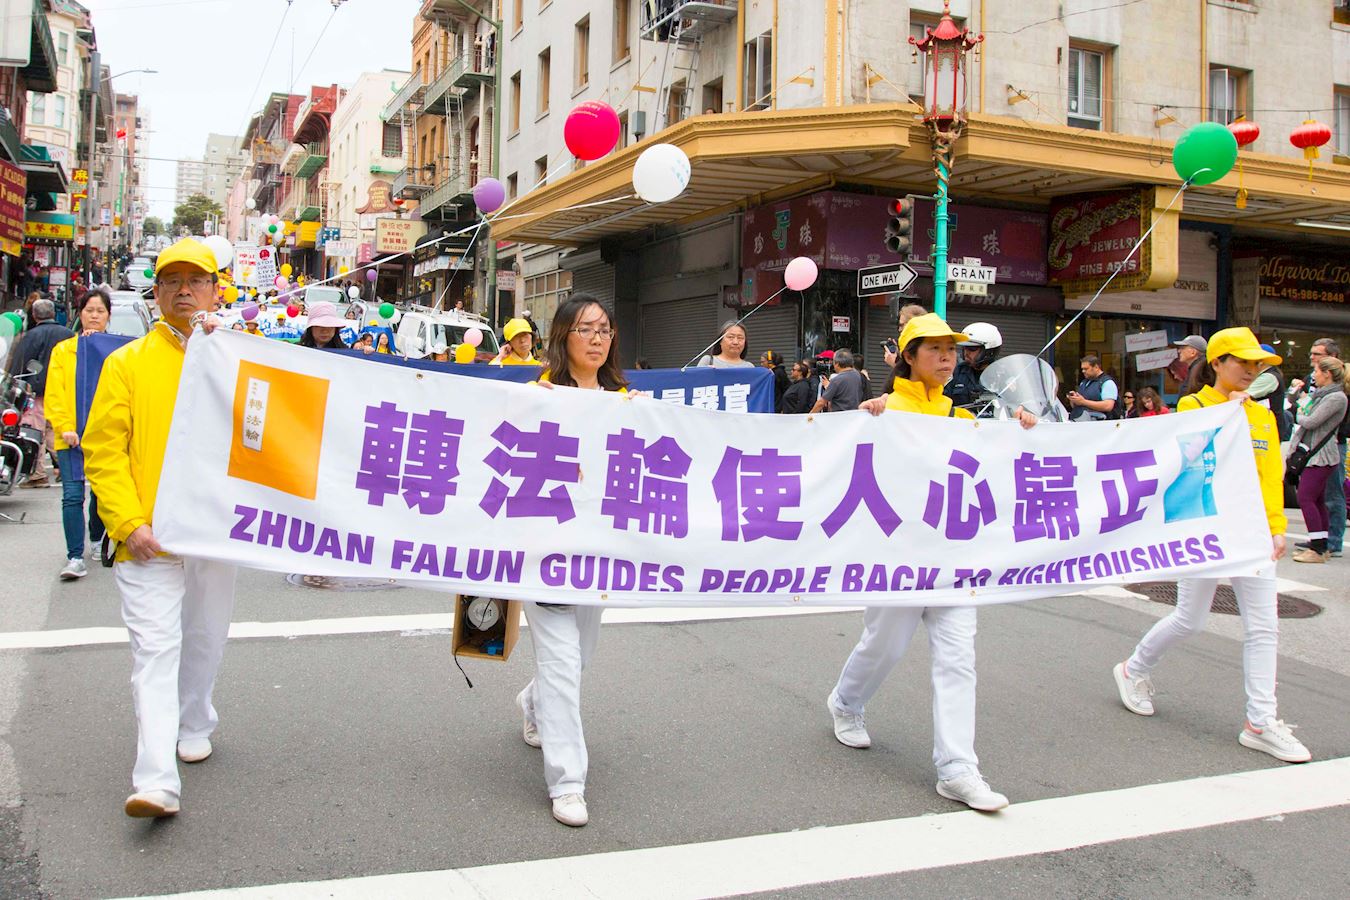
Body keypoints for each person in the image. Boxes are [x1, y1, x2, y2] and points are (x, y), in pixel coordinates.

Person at [828, 314, 1037, 812]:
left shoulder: (961, 417)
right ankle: (846, 702)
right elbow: (846, 461)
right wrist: (866, 416)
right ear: (908, 356)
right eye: (934, 349)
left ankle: (958, 769)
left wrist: (1023, 427)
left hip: (954, 559)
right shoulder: (884, 409)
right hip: (898, 559)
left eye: (952, 349)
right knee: (885, 644)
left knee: (958, 659)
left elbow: (1002, 461)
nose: (946, 357)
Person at [83, 238, 241, 818]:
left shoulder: (236, 356)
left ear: (215, 290)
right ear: (156, 293)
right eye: (171, 281)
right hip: (146, 539)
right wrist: (128, 523)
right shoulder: (127, 364)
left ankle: (194, 720)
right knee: (154, 650)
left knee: (205, 636)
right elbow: (104, 451)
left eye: (195, 280)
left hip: (213, 533)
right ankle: (155, 780)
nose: (183, 291)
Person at [1113, 328, 1310, 764]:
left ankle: (1260, 721)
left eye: (1257, 364)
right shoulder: (1193, 406)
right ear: (1218, 362)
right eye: (1243, 362)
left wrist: (1277, 527)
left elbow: (1269, 478)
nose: (1252, 371)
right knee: (1191, 619)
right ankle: (1133, 668)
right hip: (1205, 531)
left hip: (1252, 533)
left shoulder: (1262, 415)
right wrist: (1229, 414)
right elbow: (1191, 466)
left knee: (1264, 627)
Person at [515, 293, 628, 828]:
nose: (598, 338)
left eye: (604, 329)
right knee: (561, 662)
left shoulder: (624, 399)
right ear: (563, 336)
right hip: (546, 549)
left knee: (577, 658)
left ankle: (533, 704)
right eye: (586, 329)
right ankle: (568, 781)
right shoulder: (538, 395)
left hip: (599, 553)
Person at [44, 287, 112, 579]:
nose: (94, 316)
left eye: (100, 311)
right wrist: (64, 427)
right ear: (80, 314)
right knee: (72, 496)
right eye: (89, 310)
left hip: (105, 437)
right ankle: (74, 556)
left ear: (108, 316)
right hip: (70, 437)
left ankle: (97, 540)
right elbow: (54, 393)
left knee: (101, 493)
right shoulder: (63, 351)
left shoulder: (117, 351)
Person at [5, 297, 74, 487]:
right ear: (53, 313)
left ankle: (38, 473)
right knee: (54, 430)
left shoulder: (32, 335)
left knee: (35, 431)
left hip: (38, 391)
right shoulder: (68, 334)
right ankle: (66, 466)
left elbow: (20, 363)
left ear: (34, 315)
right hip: (63, 389)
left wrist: (12, 384)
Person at [1288, 356, 1348, 563]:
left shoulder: (1336, 397)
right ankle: (1321, 544)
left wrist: (1297, 414)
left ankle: (1317, 549)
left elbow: (1311, 421)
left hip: (1321, 455)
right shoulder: (1323, 395)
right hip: (1315, 453)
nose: (1313, 375)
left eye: (1316, 371)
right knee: (1318, 499)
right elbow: (1304, 409)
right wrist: (1298, 398)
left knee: (1305, 498)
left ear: (1327, 374)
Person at [945, 322, 1002, 411]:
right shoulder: (955, 373)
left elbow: (1017, 403)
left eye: (972, 349)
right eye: (964, 348)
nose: (966, 353)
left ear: (989, 351)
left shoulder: (1003, 376)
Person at [1067, 355, 1119, 422]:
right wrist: (1074, 399)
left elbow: (1108, 406)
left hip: (1097, 423)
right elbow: (1076, 406)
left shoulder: (1107, 383)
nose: (1083, 371)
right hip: (1078, 420)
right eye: (1082, 369)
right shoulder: (1084, 382)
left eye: (1086, 369)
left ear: (1096, 367)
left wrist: (1083, 402)